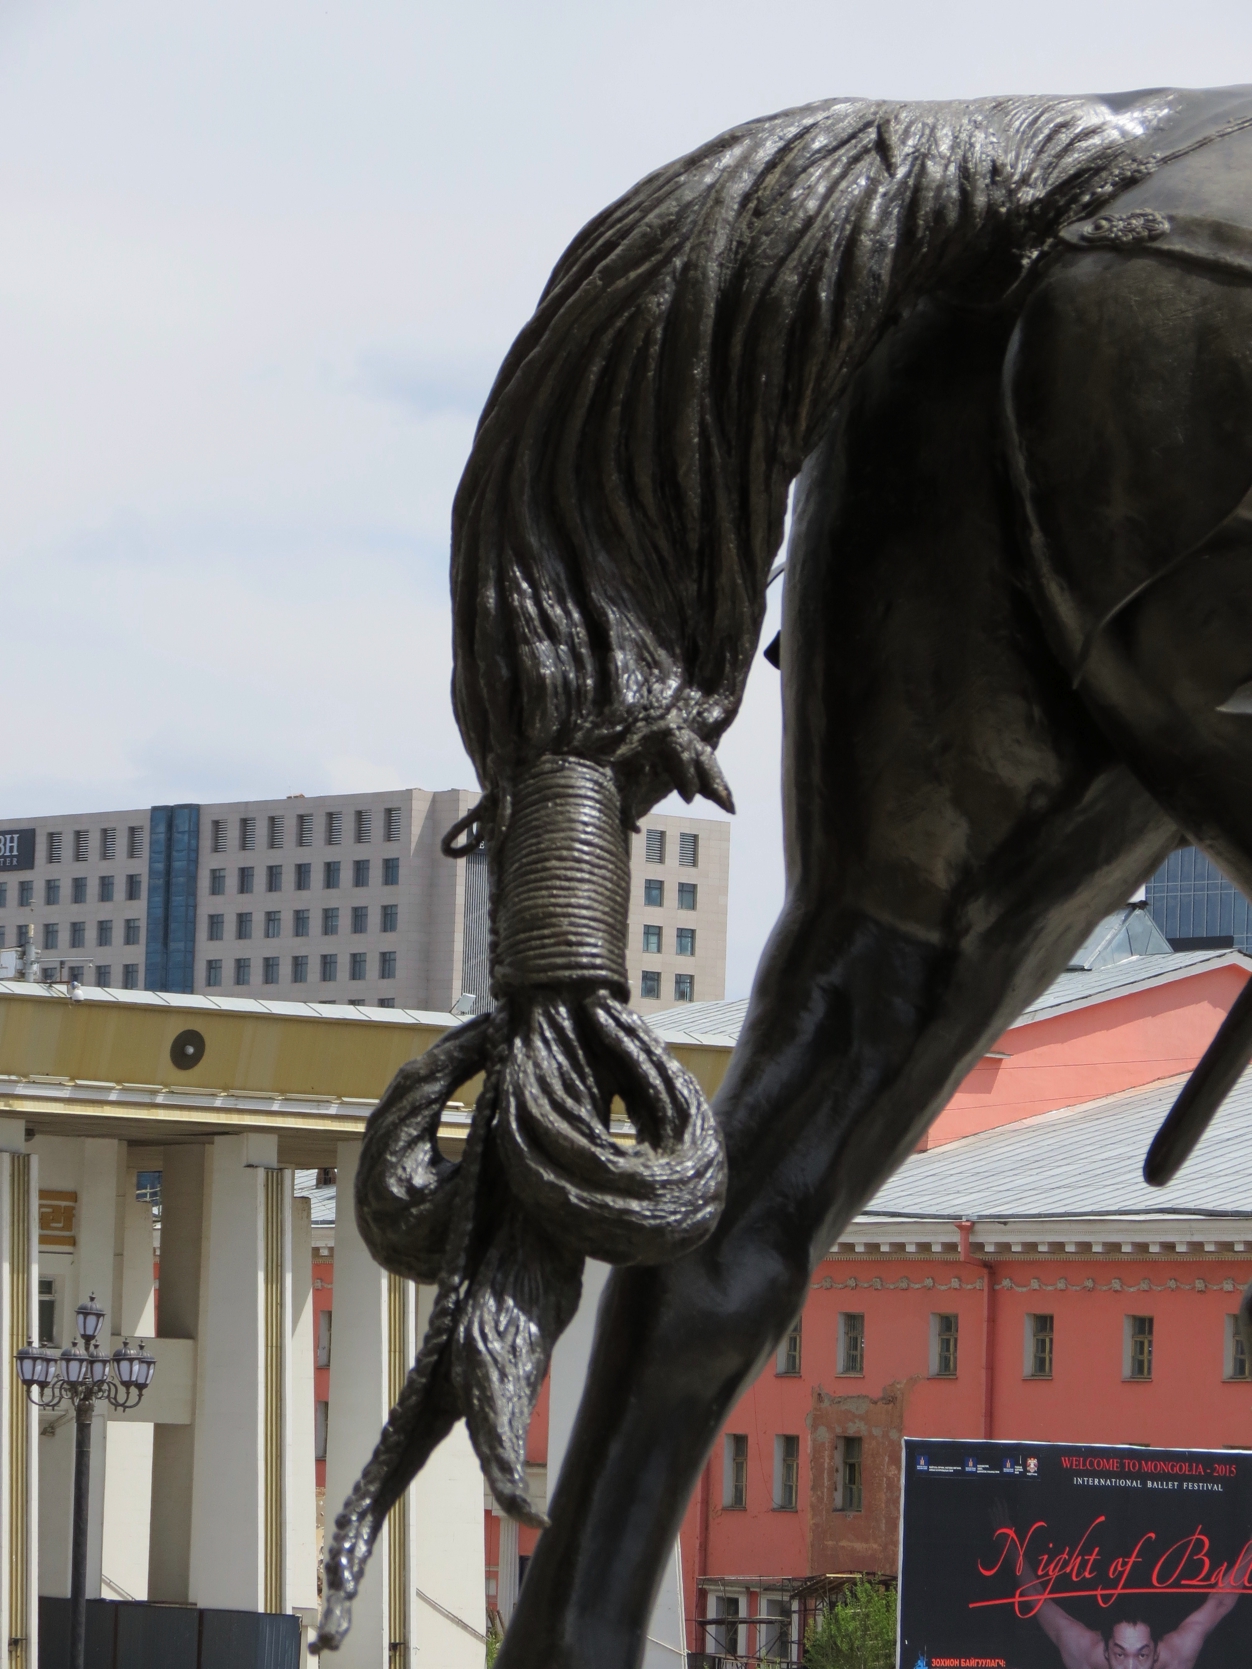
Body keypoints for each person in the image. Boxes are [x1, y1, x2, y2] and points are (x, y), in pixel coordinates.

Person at [1036, 1584, 1239, 1669]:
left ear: (1156, 1653)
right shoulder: (1084, 1652)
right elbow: (1038, 1600)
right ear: (1107, 1652)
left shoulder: (1177, 1656)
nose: (1131, 1668)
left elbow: (1219, 1603)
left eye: (1142, 1655)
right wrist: (1006, 1539)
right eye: (1120, 1655)